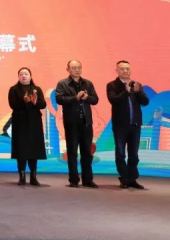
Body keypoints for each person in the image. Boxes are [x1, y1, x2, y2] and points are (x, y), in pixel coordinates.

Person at [107, 60, 149, 189]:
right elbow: (113, 100)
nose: (125, 71)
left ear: (130, 70)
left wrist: (138, 92)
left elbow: (145, 102)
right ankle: (124, 178)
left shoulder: (137, 84)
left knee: (134, 154)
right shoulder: (112, 85)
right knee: (120, 153)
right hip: (120, 125)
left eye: (127, 69)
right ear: (117, 71)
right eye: (122, 69)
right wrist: (125, 91)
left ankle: (132, 179)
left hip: (135, 125)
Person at [55, 60, 98, 188]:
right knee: (72, 152)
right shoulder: (63, 83)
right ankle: (73, 180)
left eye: (79, 67)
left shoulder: (87, 83)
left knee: (87, 152)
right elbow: (59, 99)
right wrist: (76, 98)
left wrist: (87, 98)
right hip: (71, 123)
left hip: (86, 122)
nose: (77, 70)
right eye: (74, 68)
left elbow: (95, 99)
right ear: (68, 69)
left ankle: (87, 179)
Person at [8, 67, 46, 186]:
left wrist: (34, 102)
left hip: (34, 122)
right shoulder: (14, 89)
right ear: (18, 77)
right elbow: (12, 105)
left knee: (34, 149)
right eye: (21, 74)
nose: (24, 76)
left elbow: (43, 104)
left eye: (26, 74)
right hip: (20, 122)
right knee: (21, 149)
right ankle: (22, 176)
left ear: (30, 76)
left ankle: (33, 177)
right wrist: (24, 101)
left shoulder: (37, 89)